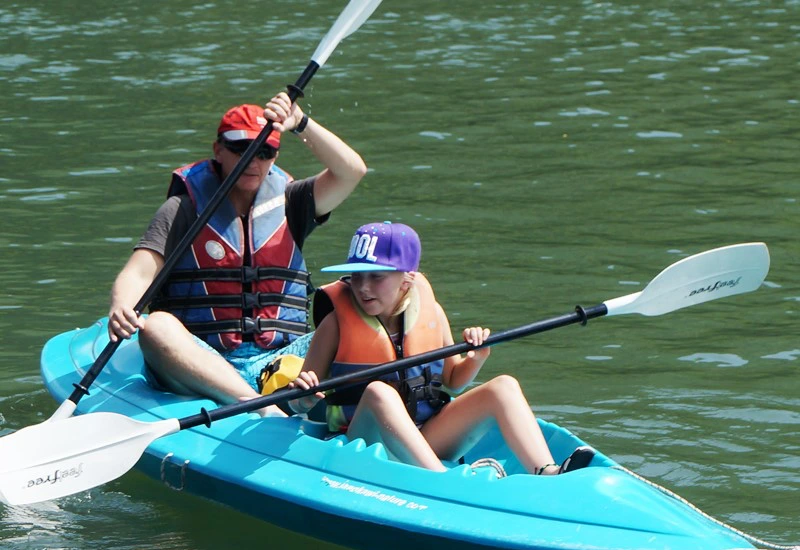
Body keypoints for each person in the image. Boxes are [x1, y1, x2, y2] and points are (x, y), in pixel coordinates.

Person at [108, 91, 367, 417]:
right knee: (156, 327)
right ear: (218, 150)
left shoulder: (293, 201)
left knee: (351, 322)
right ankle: (254, 404)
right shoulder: (183, 208)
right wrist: (121, 305)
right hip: (206, 358)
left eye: (264, 151)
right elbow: (139, 272)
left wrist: (300, 123)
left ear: (274, 155)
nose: (253, 161)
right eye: (240, 149)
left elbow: (351, 171)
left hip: (282, 360)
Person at [288, 222, 595, 475]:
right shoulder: (335, 323)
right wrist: (304, 393)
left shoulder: (430, 313)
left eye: (376, 277)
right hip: (365, 442)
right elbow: (299, 405)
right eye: (356, 276)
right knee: (380, 392)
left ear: (407, 278)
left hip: (426, 434)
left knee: (504, 386)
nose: (363, 287)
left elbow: (453, 380)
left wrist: (477, 357)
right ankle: (439, 478)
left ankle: (546, 471)